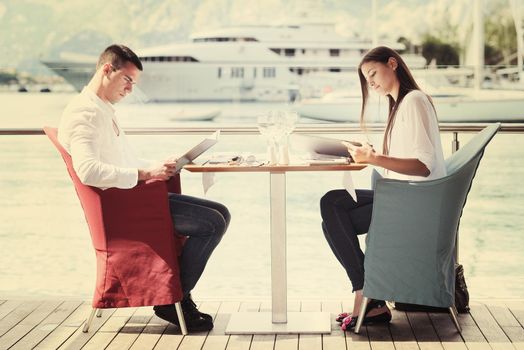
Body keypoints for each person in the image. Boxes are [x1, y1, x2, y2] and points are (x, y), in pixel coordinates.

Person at [58, 44, 230, 332]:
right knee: (212, 222)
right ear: (107, 70)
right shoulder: (85, 115)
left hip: (131, 199)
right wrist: (147, 173)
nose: (129, 90)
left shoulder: (102, 110)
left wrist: (159, 165)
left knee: (221, 213)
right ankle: (172, 298)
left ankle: (177, 295)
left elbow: (121, 161)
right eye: (127, 80)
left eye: (133, 84)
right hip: (125, 210)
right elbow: (88, 171)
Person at [320, 46, 446, 331]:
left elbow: (423, 166)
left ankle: (367, 296)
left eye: (373, 73)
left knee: (332, 212)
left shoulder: (413, 101)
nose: (371, 82)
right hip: (403, 196)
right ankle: (370, 298)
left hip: (414, 202)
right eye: (366, 79)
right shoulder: (400, 104)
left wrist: (374, 158)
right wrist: (370, 153)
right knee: (332, 210)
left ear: (393, 63)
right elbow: (405, 160)